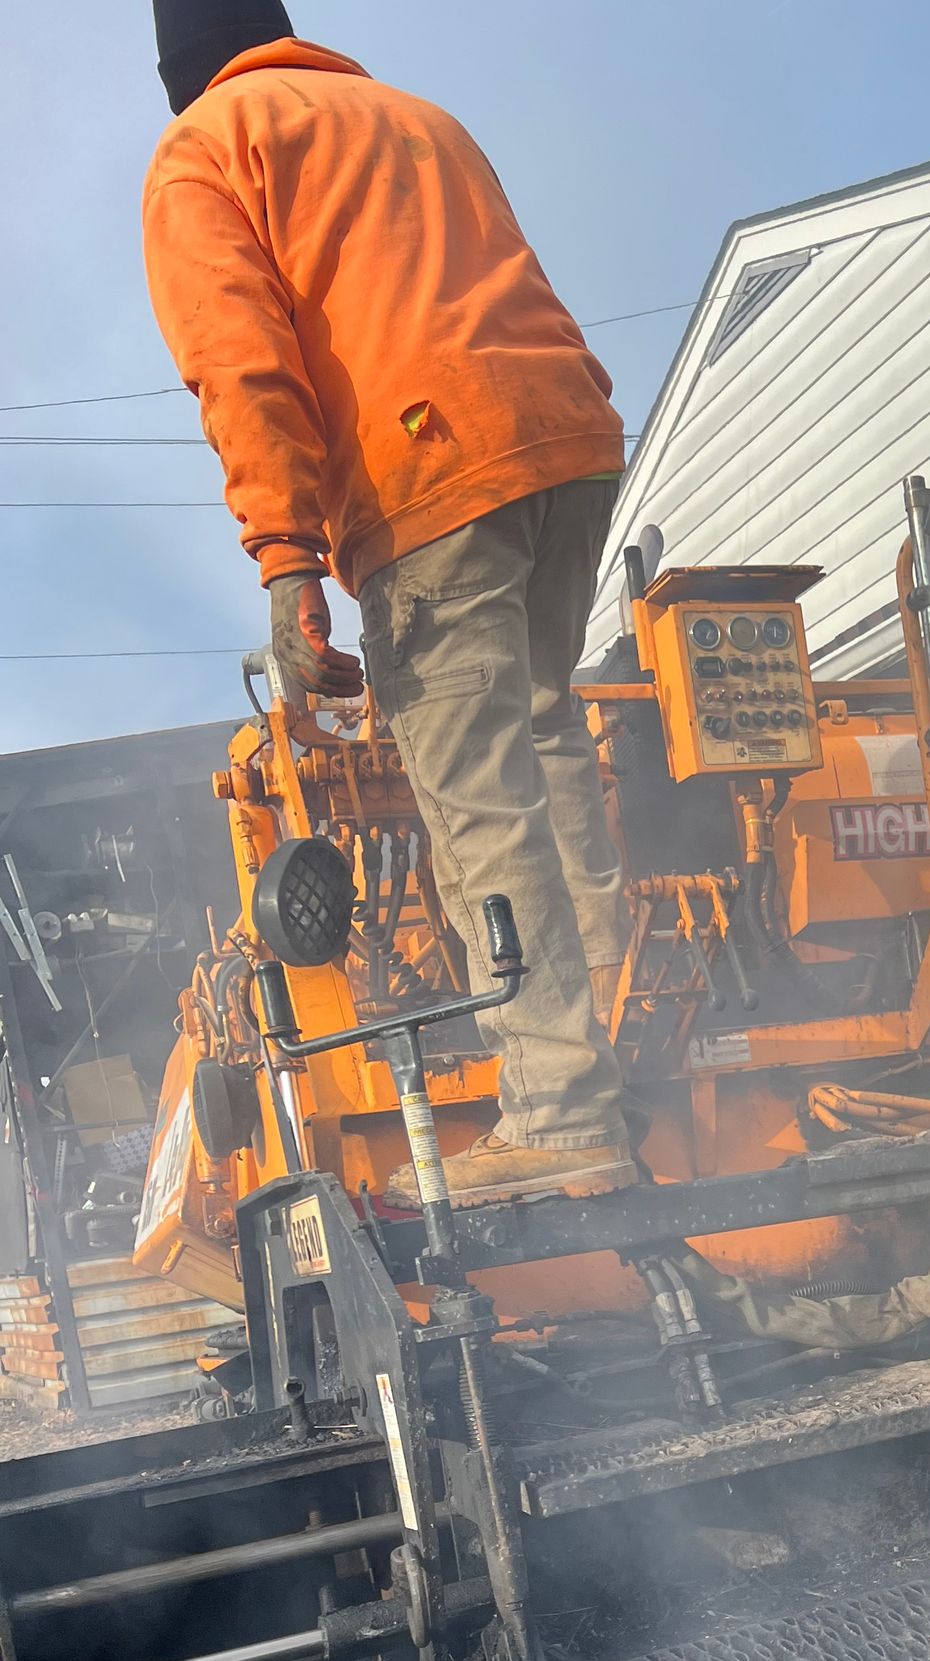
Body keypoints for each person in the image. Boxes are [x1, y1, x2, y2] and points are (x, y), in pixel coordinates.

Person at [143, 3, 637, 1206]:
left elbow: (240, 361)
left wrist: (286, 561)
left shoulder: (207, 146)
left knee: (478, 794)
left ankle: (563, 1116)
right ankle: (613, 1056)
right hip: (566, 439)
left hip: (433, 471)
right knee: (544, 735)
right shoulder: (415, 117)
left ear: (179, 70)